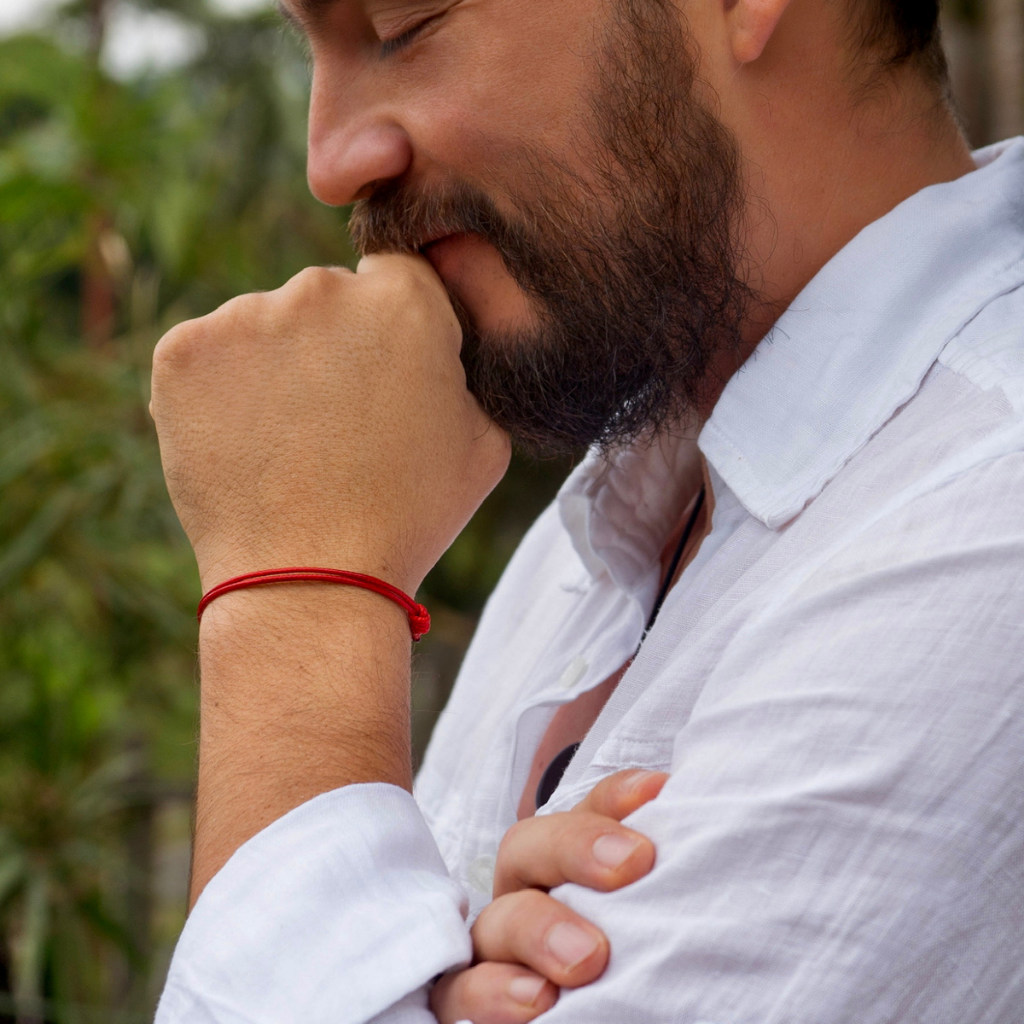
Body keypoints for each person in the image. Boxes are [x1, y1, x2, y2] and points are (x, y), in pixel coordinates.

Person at [150, 0, 1024, 1020]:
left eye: (403, 25)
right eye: (317, 51)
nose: (334, 161)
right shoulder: (612, 527)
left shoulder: (981, 530)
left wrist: (297, 590)